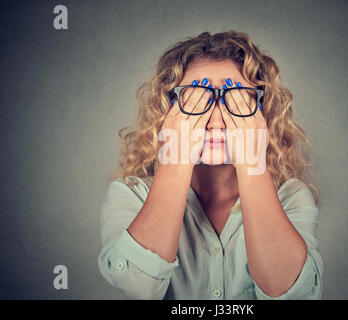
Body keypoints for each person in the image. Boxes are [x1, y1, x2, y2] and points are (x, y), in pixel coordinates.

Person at [98, 31, 323, 300]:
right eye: (196, 99)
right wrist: (175, 156)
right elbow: (138, 286)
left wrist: (252, 163)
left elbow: (289, 294)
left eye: (237, 99)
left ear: (262, 112)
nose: (216, 120)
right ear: (168, 110)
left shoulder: (292, 196)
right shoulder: (129, 194)